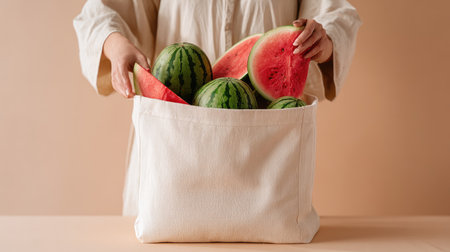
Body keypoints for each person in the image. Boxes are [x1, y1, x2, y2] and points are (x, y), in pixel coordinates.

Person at [74, 0, 361, 216]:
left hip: (262, 154)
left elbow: (336, 12)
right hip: (172, 150)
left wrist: (326, 39)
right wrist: (114, 44)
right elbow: (101, 11)